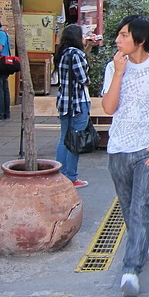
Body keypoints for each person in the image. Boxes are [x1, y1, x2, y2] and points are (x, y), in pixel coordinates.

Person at [101, 15, 149, 297]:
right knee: (127, 208)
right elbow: (109, 108)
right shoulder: (113, 67)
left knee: (141, 208)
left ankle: (131, 269)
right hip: (118, 149)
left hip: (148, 149)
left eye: (123, 35)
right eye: (119, 35)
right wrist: (119, 73)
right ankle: (140, 247)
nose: (118, 40)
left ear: (140, 40)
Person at [53, 25, 90, 188]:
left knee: (63, 138)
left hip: (64, 102)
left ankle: (58, 175)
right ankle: (71, 176)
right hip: (78, 102)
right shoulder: (77, 54)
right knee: (75, 140)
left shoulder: (62, 53)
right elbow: (83, 79)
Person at [0, 19, 11, 120]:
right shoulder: (4, 33)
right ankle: (6, 112)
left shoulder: (0, 34)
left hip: (1, 63)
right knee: (4, 89)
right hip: (5, 63)